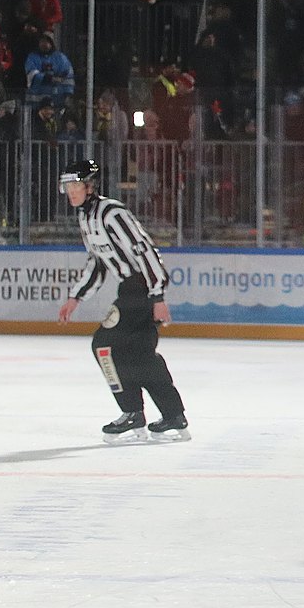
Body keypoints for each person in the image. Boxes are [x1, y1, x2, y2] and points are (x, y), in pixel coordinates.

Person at [55, 159, 190, 443]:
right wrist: (75, 297)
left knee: (103, 344)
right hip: (130, 290)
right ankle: (173, 415)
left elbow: (145, 251)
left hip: (139, 290)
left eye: (76, 185)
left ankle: (132, 412)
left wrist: (158, 295)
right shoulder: (85, 218)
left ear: (90, 186)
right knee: (141, 355)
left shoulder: (111, 213)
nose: (72, 192)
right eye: (68, 186)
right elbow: (97, 262)